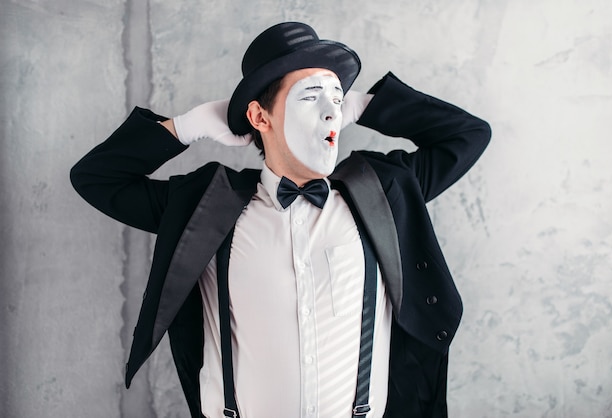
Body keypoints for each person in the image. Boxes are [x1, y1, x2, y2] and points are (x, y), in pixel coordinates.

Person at [71, 22, 490, 418]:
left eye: (337, 99)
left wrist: (364, 106)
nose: (332, 113)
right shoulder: (206, 204)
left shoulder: (383, 192)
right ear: (259, 117)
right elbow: (96, 178)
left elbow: (469, 135)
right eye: (311, 97)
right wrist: (189, 125)